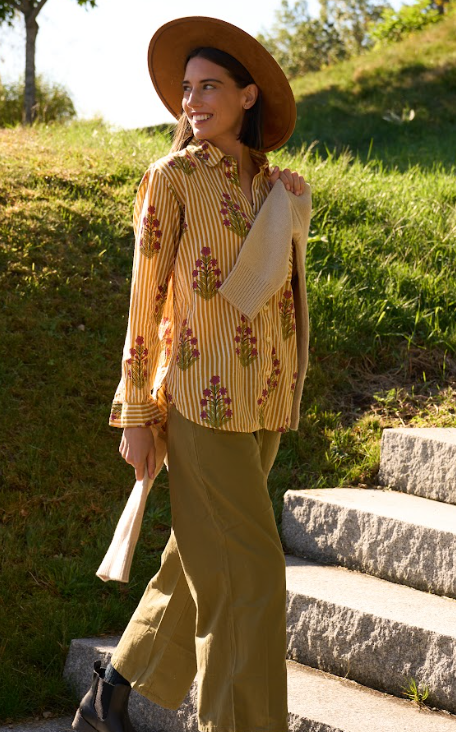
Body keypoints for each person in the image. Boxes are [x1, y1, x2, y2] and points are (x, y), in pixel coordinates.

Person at [72, 15, 311, 732]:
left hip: (262, 399)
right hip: (199, 401)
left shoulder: (276, 185)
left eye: (209, 87)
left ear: (246, 95)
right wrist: (137, 413)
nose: (192, 101)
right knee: (249, 575)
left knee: (200, 557)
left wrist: (291, 206)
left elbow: (278, 295)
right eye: (187, 89)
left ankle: (112, 688)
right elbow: (144, 301)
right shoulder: (170, 178)